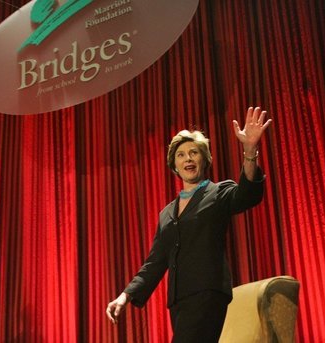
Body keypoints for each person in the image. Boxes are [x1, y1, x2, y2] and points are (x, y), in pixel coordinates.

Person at [106, 107, 272, 342]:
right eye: (181, 155)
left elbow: (247, 195)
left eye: (194, 152)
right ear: (174, 165)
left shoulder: (217, 192)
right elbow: (154, 263)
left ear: (204, 159)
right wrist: (125, 295)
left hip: (208, 292)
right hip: (179, 301)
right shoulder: (166, 214)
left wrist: (250, 150)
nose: (188, 158)